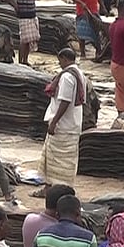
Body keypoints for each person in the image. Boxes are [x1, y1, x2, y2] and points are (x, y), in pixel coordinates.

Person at [39, 49, 86, 195]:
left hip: (63, 125)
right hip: (73, 123)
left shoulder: (66, 77)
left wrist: (54, 122)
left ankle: (55, 189)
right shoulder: (79, 74)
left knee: (57, 160)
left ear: (65, 59)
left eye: (60, 60)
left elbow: (65, 101)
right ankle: (53, 188)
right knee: (62, 160)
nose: (59, 63)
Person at [5, 0, 39, 65]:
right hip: (23, 15)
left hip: (32, 14)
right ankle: (21, 61)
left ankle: (25, 60)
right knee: (24, 39)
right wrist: (16, 6)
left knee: (30, 39)